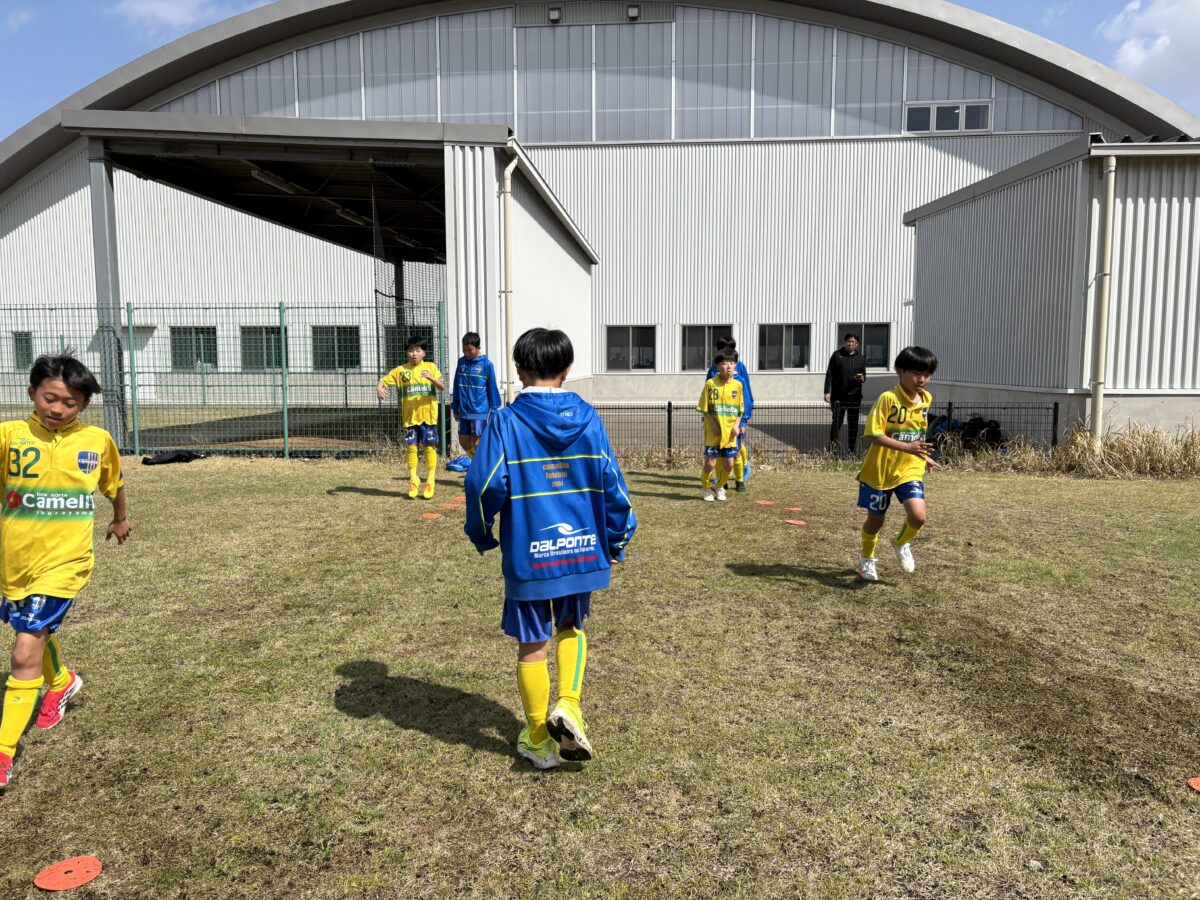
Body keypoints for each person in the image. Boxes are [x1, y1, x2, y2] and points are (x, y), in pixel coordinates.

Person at [464, 328, 635, 770]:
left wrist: (481, 533)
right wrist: (618, 537)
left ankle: (539, 741)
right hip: (581, 549)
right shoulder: (590, 419)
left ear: (520, 370)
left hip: (530, 554)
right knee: (571, 626)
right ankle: (569, 704)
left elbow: (483, 485)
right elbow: (613, 484)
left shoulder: (505, 422)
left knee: (532, 643)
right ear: (568, 369)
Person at [0, 353, 131, 789]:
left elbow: (114, 483)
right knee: (31, 630)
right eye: (49, 398)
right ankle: (61, 681)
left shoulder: (96, 441)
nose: (57, 409)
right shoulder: (9, 437)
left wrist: (120, 518)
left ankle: (3, 753)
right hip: (15, 562)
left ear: (84, 405)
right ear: (32, 393)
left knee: (24, 650)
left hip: (66, 562)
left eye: (70, 403)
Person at [856, 346, 940, 582]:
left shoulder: (926, 399)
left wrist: (922, 455)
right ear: (899, 371)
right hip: (880, 470)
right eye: (916, 374)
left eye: (927, 374)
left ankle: (901, 542)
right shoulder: (888, 399)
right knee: (876, 521)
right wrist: (907, 447)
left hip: (909, 468)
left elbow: (916, 434)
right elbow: (873, 434)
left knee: (918, 516)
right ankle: (866, 558)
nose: (922, 380)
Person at [377, 338, 445, 499]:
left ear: (424, 353)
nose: (414, 354)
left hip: (428, 417)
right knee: (412, 447)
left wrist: (431, 378)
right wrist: (379, 387)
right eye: (411, 350)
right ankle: (413, 479)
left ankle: (430, 480)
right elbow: (383, 380)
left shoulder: (431, 367)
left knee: (429, 447)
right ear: (406, 352)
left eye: (418, 350)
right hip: (410, 418)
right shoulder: (400, 370)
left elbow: (442, 387)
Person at [706, 337, 754, 491]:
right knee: (719, 453)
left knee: (737, 450)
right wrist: (709, 419)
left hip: (734, 421)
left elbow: (746, 397)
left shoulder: (739, 373)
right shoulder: (713, 370)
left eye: (731, 362)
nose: (727, 366)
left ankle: (740, 478)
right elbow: (708, 397)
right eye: (722, 351)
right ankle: (722, 480)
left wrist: (743, 420)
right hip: (718, 420)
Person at [697, 352, 744, 502]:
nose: (728, 366)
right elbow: (704, 408)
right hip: (714, 432)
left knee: (729, 465)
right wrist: (713, 424)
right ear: (717, 366)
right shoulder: (710, 384)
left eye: (732, 363)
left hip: (730, 433)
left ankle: (719, 487)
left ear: (735, 366)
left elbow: (740, 410)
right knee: (710, 463)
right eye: (724, 363)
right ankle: (705, 488)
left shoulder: (738, 385)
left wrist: (737, 425)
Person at [450, 332, 501, 462]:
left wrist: (494, 408)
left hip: (479, 411)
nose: (466, 353)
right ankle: (476, 464)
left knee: (477, 442)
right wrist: (455, 406)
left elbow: (492, 387)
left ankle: (480, 468)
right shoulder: (461, 362)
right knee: (463, 441)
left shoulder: (486, 365)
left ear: (478, 348)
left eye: (470, 350)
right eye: (464, 350)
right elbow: (456, 385)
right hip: (463, 410)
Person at [824, 332, 868, 456]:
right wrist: (827, 391)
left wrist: (862, 378)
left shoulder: (861, 357)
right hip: (838, 396)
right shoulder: (837, 355)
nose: (850, 343)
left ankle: (851, 451)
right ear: (845, 342)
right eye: (848, 341)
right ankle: (833, 451)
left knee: (853, 425)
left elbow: (864, 376)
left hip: (854, 397)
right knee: (836, 424)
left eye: (853, 342)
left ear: (857, 344)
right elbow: (829, 374)